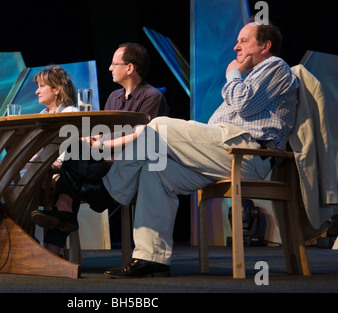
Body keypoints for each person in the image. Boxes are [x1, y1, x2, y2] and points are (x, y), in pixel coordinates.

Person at [62, 21, 299, 278]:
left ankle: (106, 192)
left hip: (248, 153)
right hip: (225, 150)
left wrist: (233, 73)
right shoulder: (252, 76)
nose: (236, 46)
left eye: (244, 40)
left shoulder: (275, 67)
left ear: (266, 46)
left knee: (159, 126)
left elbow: (243, 103)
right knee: (156, 170)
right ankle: (151, 259)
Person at [31, 43, 169, 255]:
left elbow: (143, 137)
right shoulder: (114, 96)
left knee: (67, 173)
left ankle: (52, 247)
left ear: (130, 68)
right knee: (71, 155)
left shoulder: (152, 97)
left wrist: (101, 144)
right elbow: (105, 132)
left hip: (129, 164)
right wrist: (92, 138)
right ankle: (63, 221)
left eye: (114, 64)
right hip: (100, 161)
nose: (110, 68)